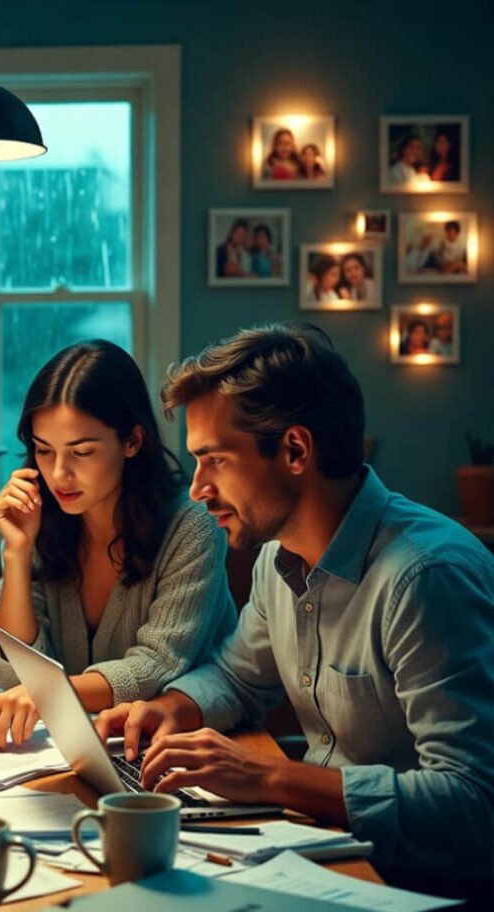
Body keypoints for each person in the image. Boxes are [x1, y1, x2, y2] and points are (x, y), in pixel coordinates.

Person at [93, 322, 494, 882]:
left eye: (215, 460)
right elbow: (237, 678)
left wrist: (267, 777)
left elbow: (472, 803)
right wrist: (171, 709)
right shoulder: (275, 559)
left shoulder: (426, 578)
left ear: (295, 450)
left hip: (423, 899)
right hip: (326, 855)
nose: (197, 487)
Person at [0, 339, 237, 749]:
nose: (59, 474)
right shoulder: (33, 520)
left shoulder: (193, 526)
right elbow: (15, 677)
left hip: (185, 746)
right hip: (77, 750)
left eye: (81, 452)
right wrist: (17, 551)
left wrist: (52, 694)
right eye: (43, 451)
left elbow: (157, 665)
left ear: (133, 441)